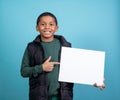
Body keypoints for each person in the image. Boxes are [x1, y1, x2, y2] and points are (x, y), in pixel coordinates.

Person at [21, 12, 105, 100]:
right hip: (39, 97)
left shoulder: (65, 46)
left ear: (56, 28)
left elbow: (77, 69)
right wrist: (41, 67)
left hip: (63, 96)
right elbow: (24, 71)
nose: (47, 27)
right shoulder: (31, 47)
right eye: (42, 24)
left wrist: (95, 78)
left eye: (51, 24)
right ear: (37, 28)